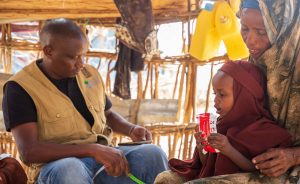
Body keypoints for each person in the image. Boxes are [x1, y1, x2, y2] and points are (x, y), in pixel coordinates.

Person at [2, 18, 168, 184]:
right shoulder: (21, 87)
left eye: (83, 55)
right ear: (48, 51)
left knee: (152, 154)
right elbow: (29, 151)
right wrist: (91, 150)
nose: (81, 64)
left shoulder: (89, 75)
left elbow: (107, 114)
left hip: (102, 160)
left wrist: (131, 129)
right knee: (70, 169)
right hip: (57, 168)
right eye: (73, 57)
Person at [155, 61, 291, 183]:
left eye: (222, 94)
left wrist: (228, 149)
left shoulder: (263, 131)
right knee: (164, 178)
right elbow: (207, 166)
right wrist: (202, 149)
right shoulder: (220, 124)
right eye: (214, 93)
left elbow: (255, 168)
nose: (215, 100)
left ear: (244, 97)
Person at [239, 0, 300, 179]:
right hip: (260, 166)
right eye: (244, 29)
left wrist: (293, 156)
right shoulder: (256, 64)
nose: (250, 41)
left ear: (284, 26)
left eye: (261, 32)